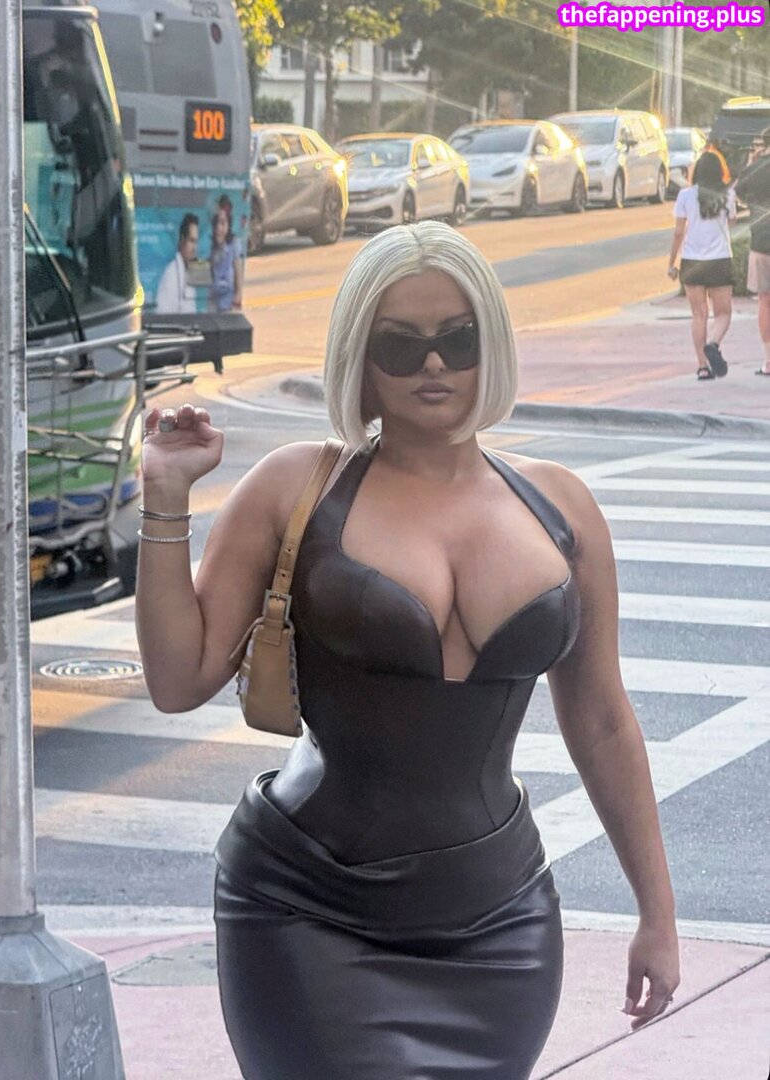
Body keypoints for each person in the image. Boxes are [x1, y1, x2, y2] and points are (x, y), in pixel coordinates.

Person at [136, 221, 680, 1079]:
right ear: (360, 356)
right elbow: (177, 680)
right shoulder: (294, 487)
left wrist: (658, 912)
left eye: (458, 340)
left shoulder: (562, 510)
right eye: (401, 344)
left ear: (489, 344)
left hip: (501, 926)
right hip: (308, 911)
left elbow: (603, 720)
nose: (434, 365)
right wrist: (164, 496)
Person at [667, 151, 737, 380]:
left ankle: (702, 367)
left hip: (692, 261)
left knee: (699, 315)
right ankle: (713, 344)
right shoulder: (728, 194)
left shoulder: (685, 195)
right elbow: (732, 222)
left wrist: (671, 262)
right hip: (719, 260)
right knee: (723, 313)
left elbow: (679, 233)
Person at [735, 126, 770, 376]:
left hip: (761, 242)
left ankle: (768, 361)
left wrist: (752, 162)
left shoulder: (756, 169)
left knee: (765, 302)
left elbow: (738, 192)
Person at [154, 212, 199, 314]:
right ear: (182, 240)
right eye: (191, 241)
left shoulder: (189, 271)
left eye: (196, 242)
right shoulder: (171, 274)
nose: (194, 248)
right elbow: (163, 315)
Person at [208, 210, 242, 312]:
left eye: (223, 223)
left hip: (229, 299)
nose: (219, 228)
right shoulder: (211, 247)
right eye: (216, 224)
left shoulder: (234, 244)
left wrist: (238, 294)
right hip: (214, 300)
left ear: (228, 225)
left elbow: (238, 270)